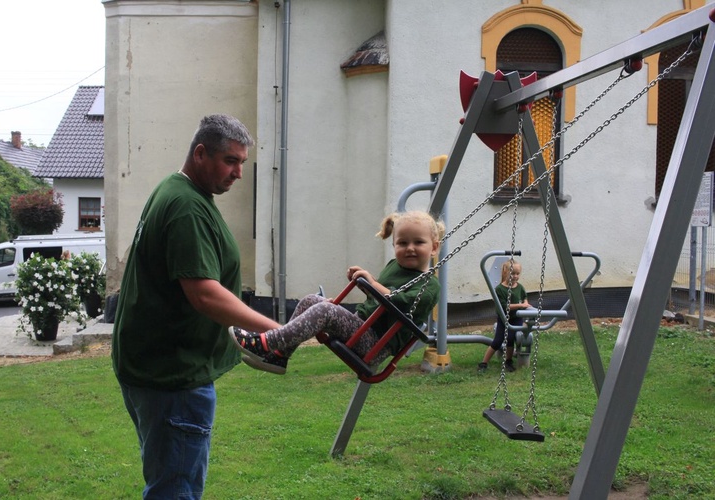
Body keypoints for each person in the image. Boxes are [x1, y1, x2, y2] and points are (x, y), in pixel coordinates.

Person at [112, 114, 281, 499]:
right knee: (175, 489)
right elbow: (204, 292)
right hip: (173, 376)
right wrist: (274, 330)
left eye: (242, 162)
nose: (239, 172)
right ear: (200, 153)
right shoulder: (186, 206)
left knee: (168, 479)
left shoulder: (178, 191)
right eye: (230, 161)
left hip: (154, 367)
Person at [229, 210, 445, 374]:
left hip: (375, 344)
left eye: (419, 242)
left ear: (434, 248)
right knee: (311, 301)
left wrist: (371, 283)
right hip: (361, 326)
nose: (409, 248)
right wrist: (365, 284)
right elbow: (378, 297)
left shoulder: (430, 285)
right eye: (402, 242)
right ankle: (279, 356)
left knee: (324, 310)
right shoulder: (394, 265)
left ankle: (267, 342)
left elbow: (400, 303)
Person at [478, 259, 531, 373]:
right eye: (513, 273)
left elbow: (524, 297)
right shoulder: (500, 289)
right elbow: (504, 306)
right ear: (506, 273)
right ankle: (484, 363)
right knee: (497, 341)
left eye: (517, 274)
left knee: (510, 340)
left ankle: (508, 361)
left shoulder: (520, 287)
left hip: (516, 318)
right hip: (504, 319)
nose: (515, 276)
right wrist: (520, 305)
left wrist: (525, 303)